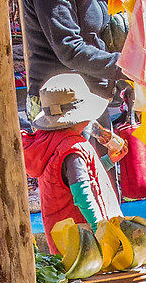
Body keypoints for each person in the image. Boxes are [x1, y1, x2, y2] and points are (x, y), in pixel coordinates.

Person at [24, 73, 125, 235]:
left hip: (65, 238)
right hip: (85, 239)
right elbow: (81, 192)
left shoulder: (51, 142)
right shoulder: (71, 148)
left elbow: (75, 177)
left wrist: (108, 161)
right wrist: (98, 228)